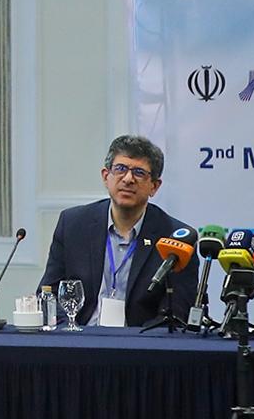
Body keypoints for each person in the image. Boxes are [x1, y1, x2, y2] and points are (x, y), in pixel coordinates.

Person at [39, 134, 198, 327]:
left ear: (154, 186)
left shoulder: (176, 238)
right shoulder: (73, 224)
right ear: (106, 176)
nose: (128, 179)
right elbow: (49, 294)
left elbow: (177, 314)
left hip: (140, 341)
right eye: (121, 169)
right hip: (81, 337)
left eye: (139, 172)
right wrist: (70, 332)